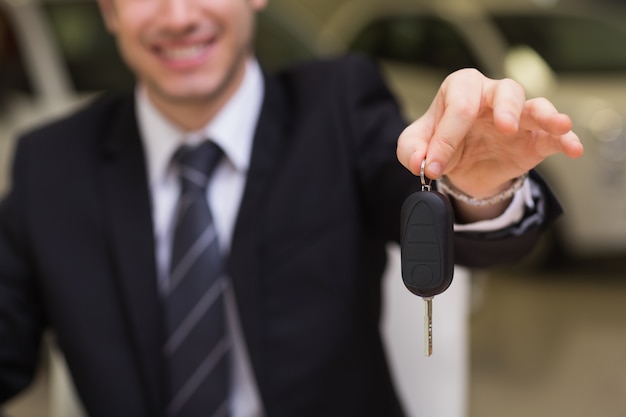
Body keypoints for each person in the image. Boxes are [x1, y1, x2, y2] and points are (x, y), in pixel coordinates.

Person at [0, 0, 583, 416]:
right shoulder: (50, 163)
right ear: (108, 10)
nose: (178, 16)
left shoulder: (338, 106)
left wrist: (474, 188)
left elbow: (419, 200)